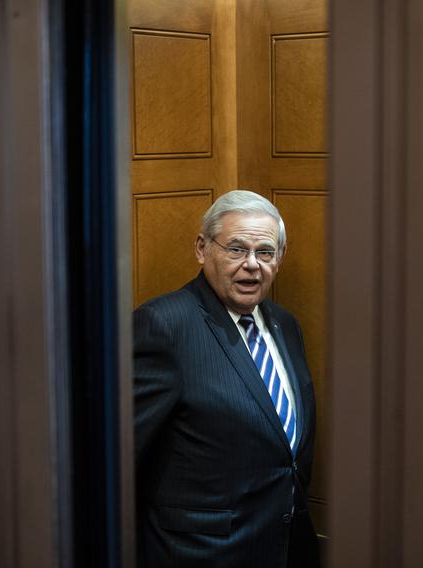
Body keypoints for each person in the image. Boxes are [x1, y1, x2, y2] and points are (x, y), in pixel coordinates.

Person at [134, 190, 320, 567]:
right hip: (201, 555)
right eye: (236, 249)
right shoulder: (164, 325)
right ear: (203, 249)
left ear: (279, 259)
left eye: (265, 252)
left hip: (286, 550)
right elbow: (119, 457)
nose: (252, 265)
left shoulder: (286, 326)